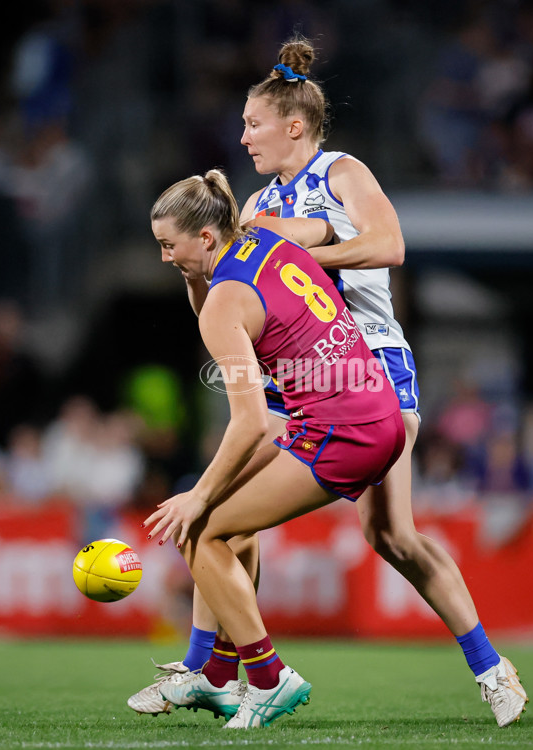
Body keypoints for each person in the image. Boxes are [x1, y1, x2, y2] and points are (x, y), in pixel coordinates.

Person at [129, 37, 528, 729]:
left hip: (365, 362)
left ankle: (492, 668)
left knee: (391, 535)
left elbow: (390, 245)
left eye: (253, 123)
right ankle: (207, 669)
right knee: (218, 494)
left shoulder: (342, 171)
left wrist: (303, 249)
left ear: (294, 125)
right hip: (297, 370)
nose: (243, 135)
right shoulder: (256, 202)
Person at [143, 167, 406, 728]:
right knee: (231, 528)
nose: (165, 257)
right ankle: (216, 677)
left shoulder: (224, 302)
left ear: (207, 238)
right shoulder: (263, 236)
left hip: (340, 433)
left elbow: (252, 423)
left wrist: (195, 495)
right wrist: (196, 277)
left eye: (170, 246)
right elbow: (319, 232)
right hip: (378, 411)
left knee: (200, 527)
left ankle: (267, 678)